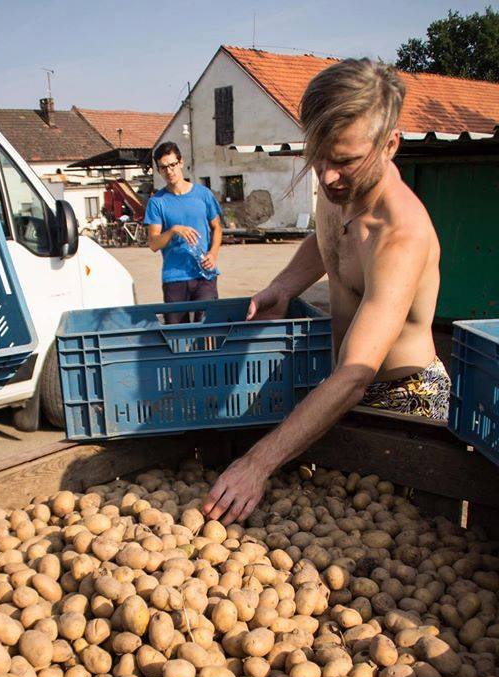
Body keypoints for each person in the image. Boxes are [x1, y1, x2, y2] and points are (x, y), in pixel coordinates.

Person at [203, 57, 450, 526]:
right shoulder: (337, 190)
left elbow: (356, 375)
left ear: (390, 144)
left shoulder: (401, 235)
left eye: (344, 161)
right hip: (342, 391)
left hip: (403, 401)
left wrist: (255, 464)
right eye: (318, 157)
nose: (328, 176)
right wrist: (283, 285)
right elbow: (326, 243)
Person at [145, 141, 223, 323]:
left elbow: (217, 228)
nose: (169, 171)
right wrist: (173, 230)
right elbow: (153, 244)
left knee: (207, 330)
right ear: (158, 170)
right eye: (163, 168)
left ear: (181, 162)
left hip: (204, 274)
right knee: (176, 334)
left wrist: (213, 254)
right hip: (175, 277)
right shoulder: (157, 202)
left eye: (172, 165)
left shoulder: (203, 195)